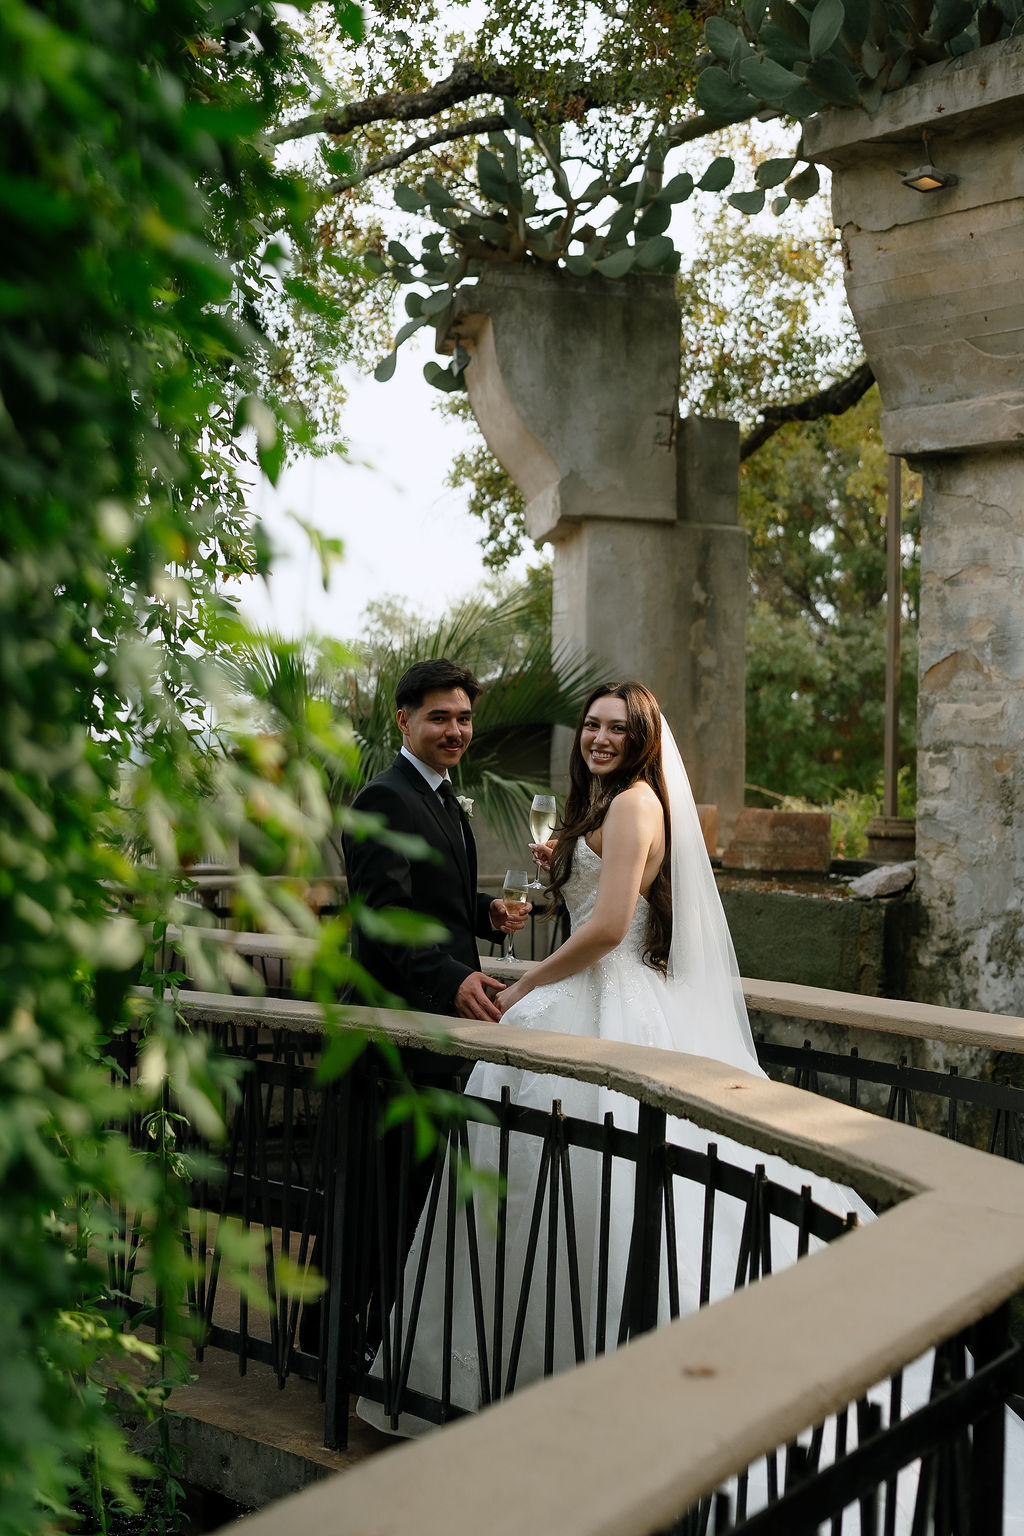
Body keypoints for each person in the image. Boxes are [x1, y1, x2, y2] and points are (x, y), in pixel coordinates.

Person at [301, 658, 528, 1360]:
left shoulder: (442, 798)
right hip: (388, 1034)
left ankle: (372, 1337)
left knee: (408, 1196)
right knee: (371, 1195)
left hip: (431, 1028)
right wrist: (453, 978)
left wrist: (486, 915)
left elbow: (432, 900)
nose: (455, 729)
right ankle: (330, 1346)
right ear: (405, 720)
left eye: (463, 717)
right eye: (440, 717)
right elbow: (382, 918)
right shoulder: (382, 799)